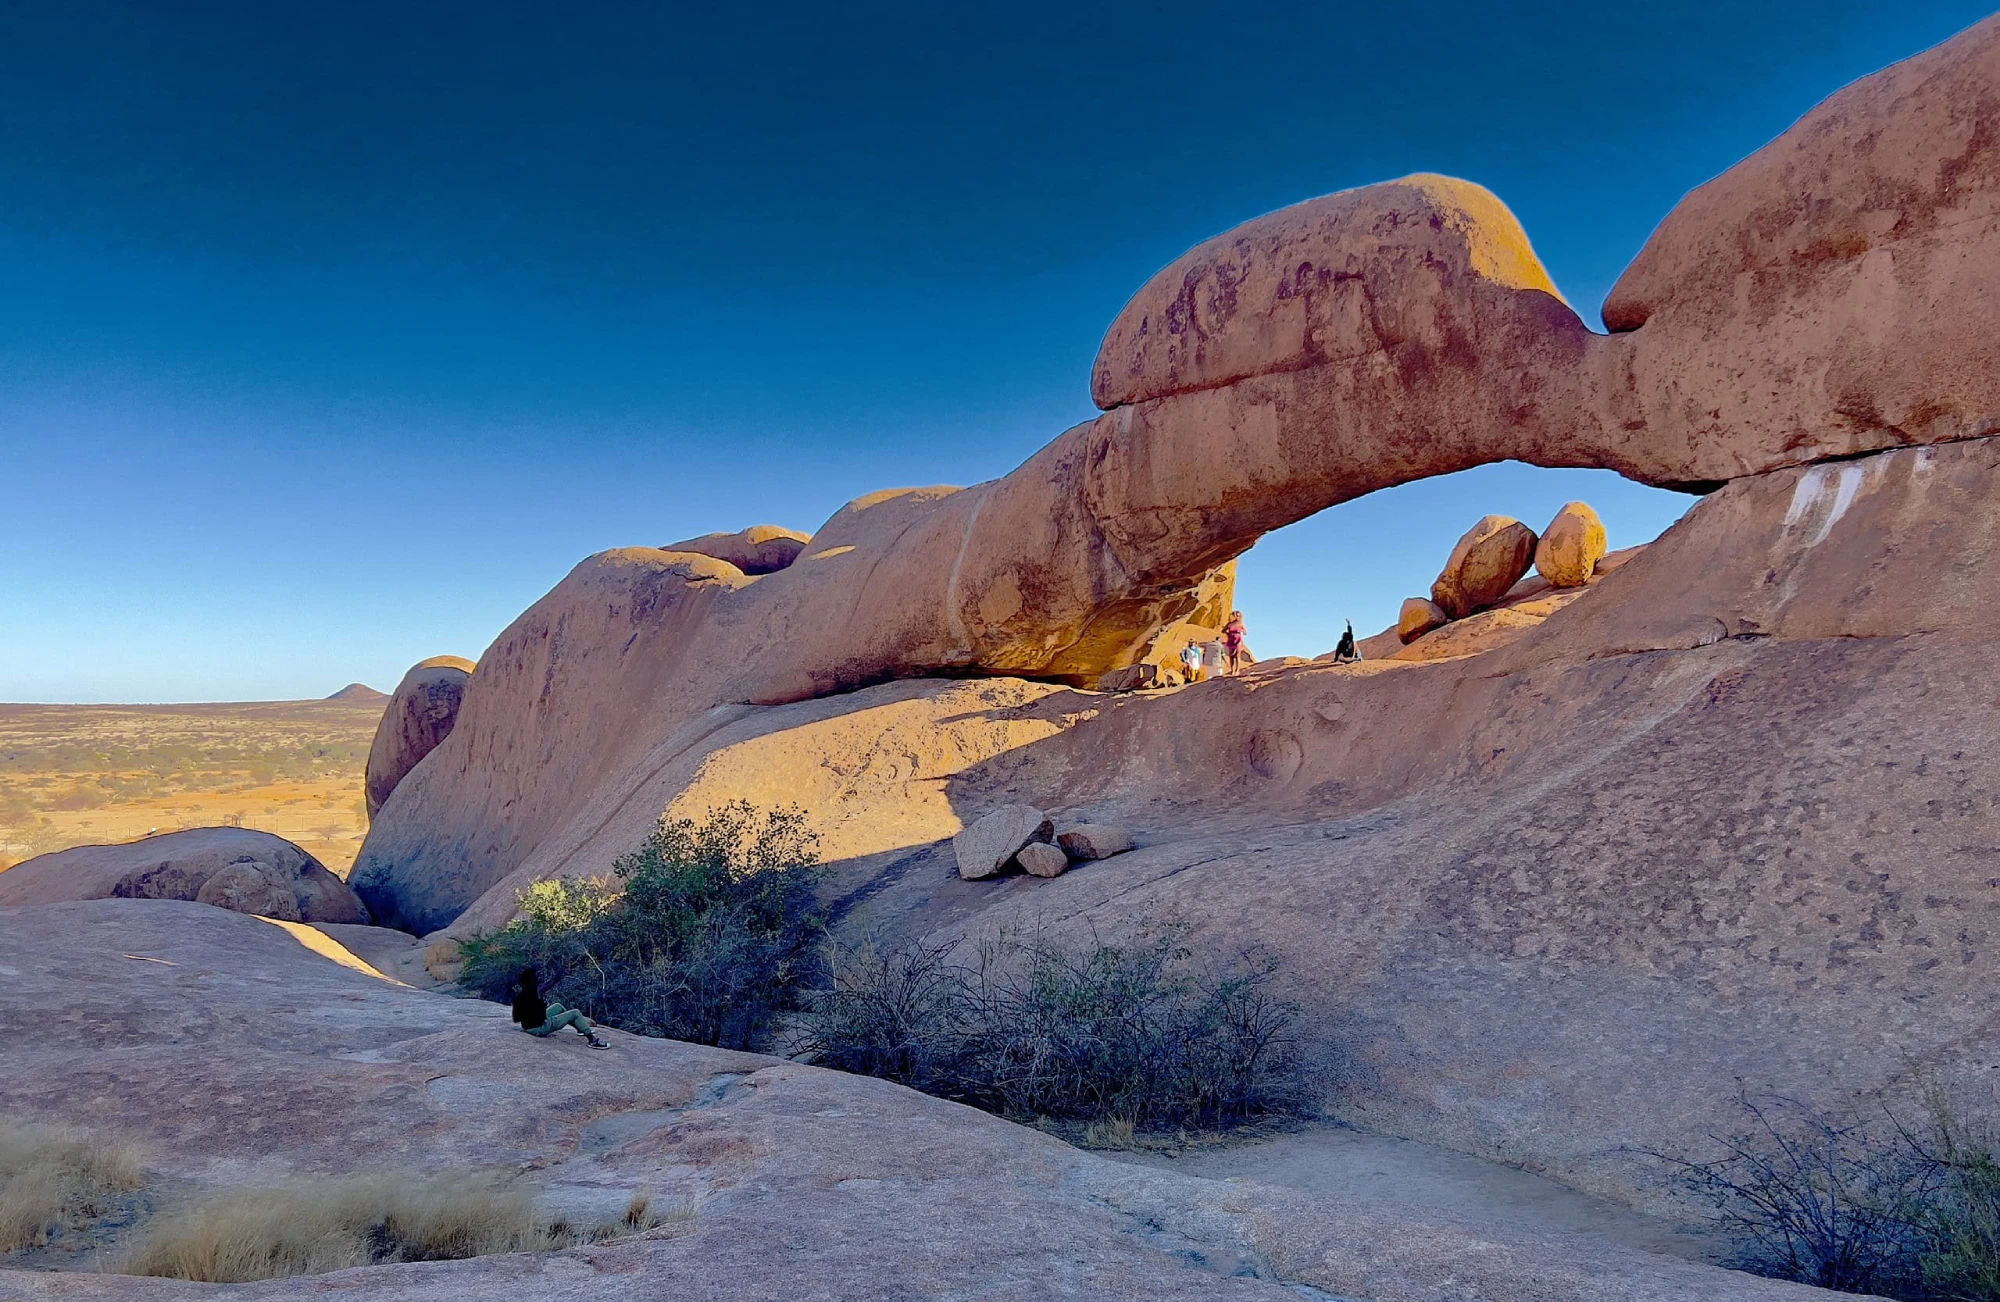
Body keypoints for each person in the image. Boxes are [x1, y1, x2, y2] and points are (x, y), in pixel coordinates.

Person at [511, 967, 609, 1048]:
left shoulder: (521, 994)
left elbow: (516, 1019)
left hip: (529, 1026)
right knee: (575, 1012)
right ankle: (592, 1041)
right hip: (540, 1028)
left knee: (558, 1006)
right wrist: (556, 978)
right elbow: (544, 987)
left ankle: (580, 1028)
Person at [1222, 611, 1248, 676]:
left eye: (1238, 615)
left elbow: (1245, 632)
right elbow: (1223, 631)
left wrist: (1241, 630)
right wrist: (1227, 632)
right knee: (1231, 656)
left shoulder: (1240, 624)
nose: (1236, 617)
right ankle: (1232, 670)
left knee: (1237, 655)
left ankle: (1237, 670)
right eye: (1235, 615)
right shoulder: (1229, 624)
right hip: (1231, 640)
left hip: (1238, 640)